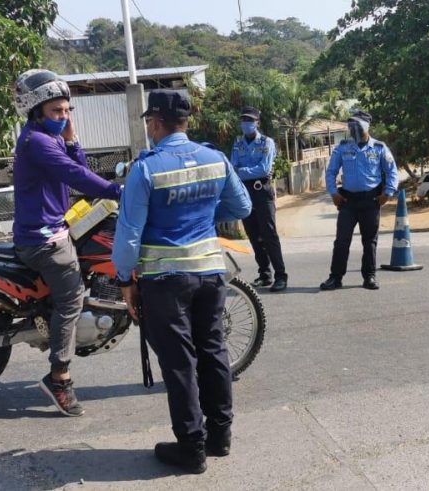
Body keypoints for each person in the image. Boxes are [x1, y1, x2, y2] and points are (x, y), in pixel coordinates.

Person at [112, 89, 252, 474]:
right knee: (213, 350)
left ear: (155, 123)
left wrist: (124, 280)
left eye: (149, 123)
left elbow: (128, 237)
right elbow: (242, 207)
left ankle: (191, 447)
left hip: (166, 280)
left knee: (179, 363)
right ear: (185, 122)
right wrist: (206, 213)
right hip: (210, 273)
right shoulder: (215, 158)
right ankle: (220, 436)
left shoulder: (145, 169)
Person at [11, 69, 123, 417]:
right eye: (57, 112)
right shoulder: (39, 142)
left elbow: (77, 167)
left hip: (53, 228)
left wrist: (73, 139)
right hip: (43, 239)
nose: (63, 117)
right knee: (73, 298)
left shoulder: (48, 137)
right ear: (37, 110)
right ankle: (59, 376)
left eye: (67, 111)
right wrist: (118, 189)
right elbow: (77, 176)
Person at [320, 111, 399, 291]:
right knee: (341, 240)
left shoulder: (379, 148)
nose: (353, 128)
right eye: (350, 125)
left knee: (369, 240)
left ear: (367, 126)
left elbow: (392, 172)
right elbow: (331, 172)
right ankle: (336, 277)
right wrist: (333, 193)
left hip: (371, 201)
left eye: (357, 124)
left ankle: (369, 276)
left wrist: (387, 193)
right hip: (347, 201)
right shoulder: (343, 147)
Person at [230, 106, 287, 292]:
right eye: (243, 120)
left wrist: (242, 171)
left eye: (250, 120)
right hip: (244, 193)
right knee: (254, 235)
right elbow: (232, 170)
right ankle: (265, 274)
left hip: (262, 191)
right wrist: (244, 172)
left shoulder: (266, 142)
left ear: (257, 123)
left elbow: (264, 169)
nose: (246, 123)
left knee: (269, 234)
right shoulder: (237, 144)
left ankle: (281, 276)